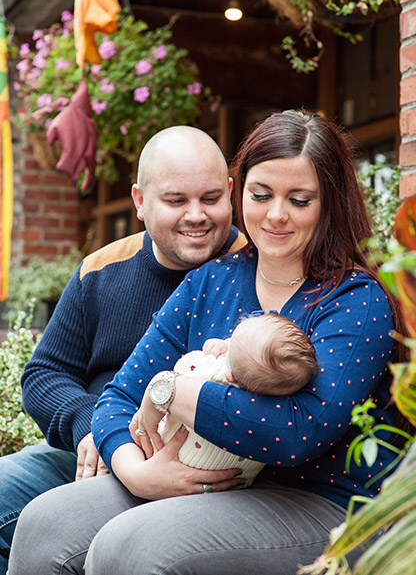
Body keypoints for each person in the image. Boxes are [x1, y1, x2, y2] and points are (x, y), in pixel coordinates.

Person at [7, 110, 407, 575]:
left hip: (319, 500)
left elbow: (299, 431)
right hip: (206, 479)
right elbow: (119, 396)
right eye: (262, 195)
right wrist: (137, 471)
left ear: (330, 203)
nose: (276, 214)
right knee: (45, 523)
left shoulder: (356, 299)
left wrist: (178, 392)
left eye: (299, 200)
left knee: (132, 547)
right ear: (244, 195)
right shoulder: (211, 280)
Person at [0, 125, 246, 575]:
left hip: (201, 475)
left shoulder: (254, 271)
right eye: (176, 201)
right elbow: (44, 374)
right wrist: (94, 429)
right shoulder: (101, 269)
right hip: (92, 457)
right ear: (139, 201)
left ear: (231, 193)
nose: (197, 215)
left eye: (211, 198)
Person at [155, 311, 318, 487]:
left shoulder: (214, 373)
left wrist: (211, 354)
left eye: (231, 341)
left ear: (230, 375)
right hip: (232, 485)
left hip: (169, 458)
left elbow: (180, 371)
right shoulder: (271, 405)